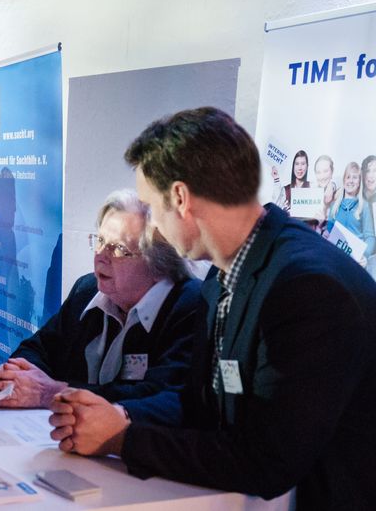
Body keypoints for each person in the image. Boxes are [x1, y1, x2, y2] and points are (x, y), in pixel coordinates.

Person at [48, 107, 376, 509]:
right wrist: (118, 414)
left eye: (152, 210)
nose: (153, 232)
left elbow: (268, 460)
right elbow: (200, 403)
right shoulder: (225, 275)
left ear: (181, 198)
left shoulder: (306, 287)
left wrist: (123, 438)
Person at [0, 190, 201, 410]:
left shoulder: (188, 307)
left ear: (159, 263)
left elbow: (154, 395)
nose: (101, 255)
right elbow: (39, 348)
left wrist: (54, 393)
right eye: (100, 240)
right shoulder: (86, 290)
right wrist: (17, 377)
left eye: (119, 249)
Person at [326, 161, 375, 265]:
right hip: (336, 259)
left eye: (355, 177)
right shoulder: (334, 206)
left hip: (356, 262)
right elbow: (328, 232)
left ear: (359, 182)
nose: (351, 181)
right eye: (348, 177)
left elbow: (370, 237)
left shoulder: (364, 206)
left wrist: (364, 255)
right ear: (344, 180)